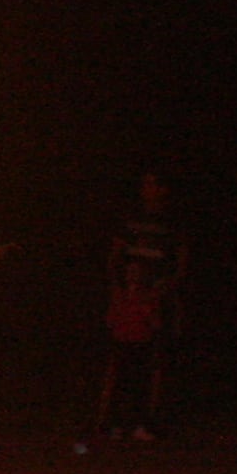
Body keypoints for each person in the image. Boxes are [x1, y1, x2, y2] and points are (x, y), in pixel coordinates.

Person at [92, 171, 183, 443]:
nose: (148, 188)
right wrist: (118, 290)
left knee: (154, 363)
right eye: (145, 183)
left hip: (155, 299)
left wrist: (161, 293)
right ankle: (108, 420)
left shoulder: (172, 222)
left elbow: (180, 265)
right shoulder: (130, 218)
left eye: (154, 183)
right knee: (119, 361)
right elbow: (114, 257)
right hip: (129, 298)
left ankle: (148, 421)